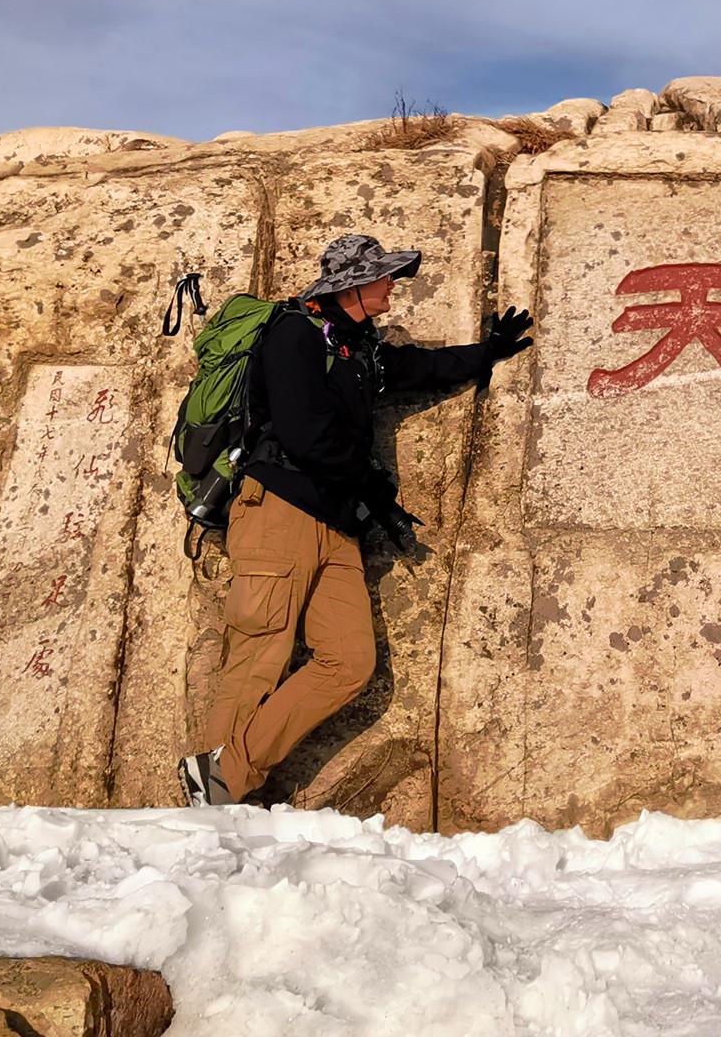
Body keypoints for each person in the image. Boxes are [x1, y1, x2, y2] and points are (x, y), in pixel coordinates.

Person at [178, 232, 532, 808]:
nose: (394, 285)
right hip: (278, 509)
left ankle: (222, 776)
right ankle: (221, 797)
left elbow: (419, 369)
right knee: (259, 654)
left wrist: (486, 352)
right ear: (354, 284)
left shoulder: (355, 346)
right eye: (386, 276)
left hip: (332, 521)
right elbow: (304, 433)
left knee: (349, 660)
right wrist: (372, 488)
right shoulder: (293, 335)